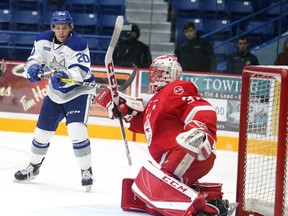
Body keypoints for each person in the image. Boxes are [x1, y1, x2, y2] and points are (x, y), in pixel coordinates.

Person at [96, 54, 230, 215]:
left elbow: (199, 108)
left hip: (188, 150)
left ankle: (202, 210)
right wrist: (125, 111)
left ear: (172, 73)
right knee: (150, 194)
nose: (155, 76)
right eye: (154, 72)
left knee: (155, 193)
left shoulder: (177, 88)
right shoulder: (155, 100)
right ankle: (212, 200)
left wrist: (201, 130)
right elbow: (148, 127)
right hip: (172, 157)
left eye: (161, 72)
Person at [14, 11, 95, 191]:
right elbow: (34, 59)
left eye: (64, 28)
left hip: (80, 92)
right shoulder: (43, 39)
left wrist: (65, 74)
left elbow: (80, 71)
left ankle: (86, 171)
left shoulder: (78, 44)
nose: (60, 31)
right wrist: (33, 68)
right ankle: (33, 168)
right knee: (42, 132)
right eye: (57, 28)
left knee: (76, 130)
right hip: (56, 92)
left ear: (70, 27)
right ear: (53, 27)